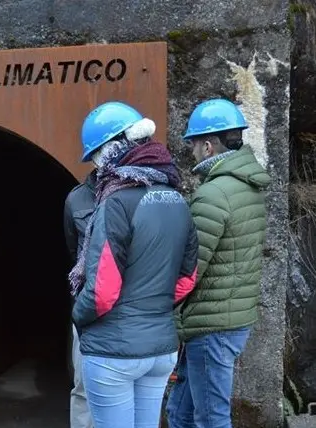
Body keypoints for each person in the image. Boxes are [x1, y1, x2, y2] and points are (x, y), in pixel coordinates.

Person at [69, 102, 199, 428]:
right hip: (160, 349)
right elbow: (187, 278)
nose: (97, 164)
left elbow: (102, 292)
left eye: (98, 152)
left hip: (114, 351)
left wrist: (77, 317)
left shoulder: (116, 201)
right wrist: (150, 309)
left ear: (115, 148)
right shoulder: (176, 198)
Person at [167, 99, 271, 428]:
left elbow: (190, 267)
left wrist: (159, 306)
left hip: (211, 326)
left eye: (193, 144)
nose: (192, 152)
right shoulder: (248, 187)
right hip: (229, 319)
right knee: (180, 414)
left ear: (209, 145)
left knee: (211, 418)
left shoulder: (213, 195)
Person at [63, 141, 98, 428]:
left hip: (131, 313)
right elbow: (74, 253)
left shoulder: (147, 195)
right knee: (83, 388)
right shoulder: (78, 199)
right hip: (88, 310)